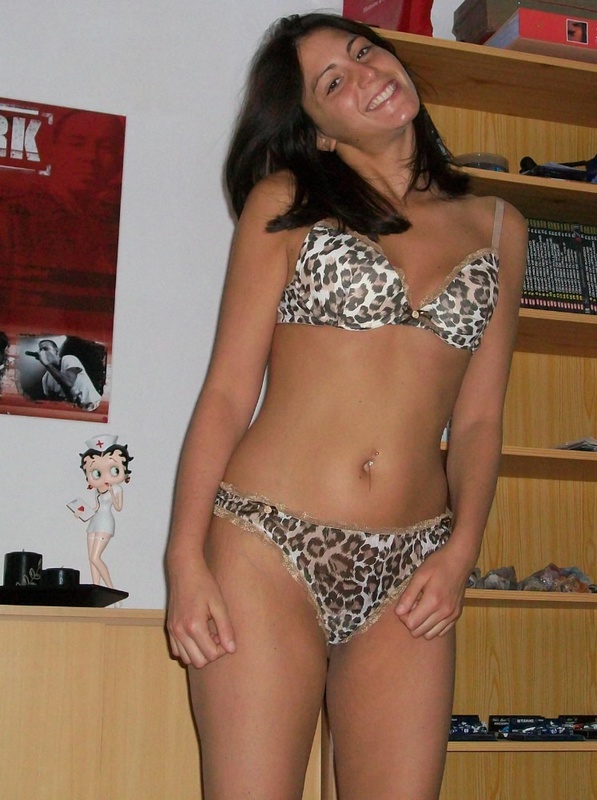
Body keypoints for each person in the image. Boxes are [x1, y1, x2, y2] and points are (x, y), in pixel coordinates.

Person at [166, 12, 527, 800]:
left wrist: (459, 554)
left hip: (413, 563)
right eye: (334, 80)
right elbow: (226, 393)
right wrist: (183, 561)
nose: (366, 74)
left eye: (365, 52)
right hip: (267, 547)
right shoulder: (286, 202)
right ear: (319, 131)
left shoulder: (499, 227)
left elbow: (477, 420)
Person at [76, 437, 133, 588]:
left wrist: (112, 493)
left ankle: (110, 586)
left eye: (114, 470)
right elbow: (96, 508)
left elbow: (118, 507)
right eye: (96, 473)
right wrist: (80, 512)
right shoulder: (97, 490)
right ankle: (96, 585)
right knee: (91, 557)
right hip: (95, 522)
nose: (105, 477)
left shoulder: (117, 489)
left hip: (105, 523)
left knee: (95, 557)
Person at [30, 338, 101, 410]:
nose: (42, 353)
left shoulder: (69, 359)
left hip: (95, 406)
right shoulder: (46, 379)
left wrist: (47, 364)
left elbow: (69, 383)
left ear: (56, 351)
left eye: (46, 349)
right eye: (40, 350)